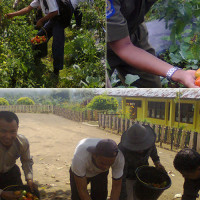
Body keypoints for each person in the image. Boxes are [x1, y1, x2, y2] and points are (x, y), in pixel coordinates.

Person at [106, 0, 199, 88]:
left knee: (151, 89)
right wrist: (177, 73)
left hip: (132, 29)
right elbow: (123, 47)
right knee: (97, 98)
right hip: (98, 44)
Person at [5, 0, 73, 75]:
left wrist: (41, 20)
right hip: (53, 19)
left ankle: (56, 70)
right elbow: (28, 8)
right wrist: (12, 14)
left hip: (60, 20)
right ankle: (38, 58)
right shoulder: (39, 0)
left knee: (57, 45)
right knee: (39, 37)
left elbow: (55, 12)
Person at [118, 123, 166, 200]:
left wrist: (157, 162)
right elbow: (121, 175)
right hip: (128, 177)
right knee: (128, 196)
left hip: (143, 175)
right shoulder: (122, 151)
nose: (141, 150)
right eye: (137, 147)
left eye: (143, 146)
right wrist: (123, 195)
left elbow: (153, 151)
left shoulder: (149, 143)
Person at [0, 111, 34, 200]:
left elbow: (26, 161)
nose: (8, 136)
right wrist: (2, 193)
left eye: (12, 131)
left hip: (11, 173)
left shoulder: (22, 142)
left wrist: (29, 178)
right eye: (3, 131)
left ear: (17, 129)